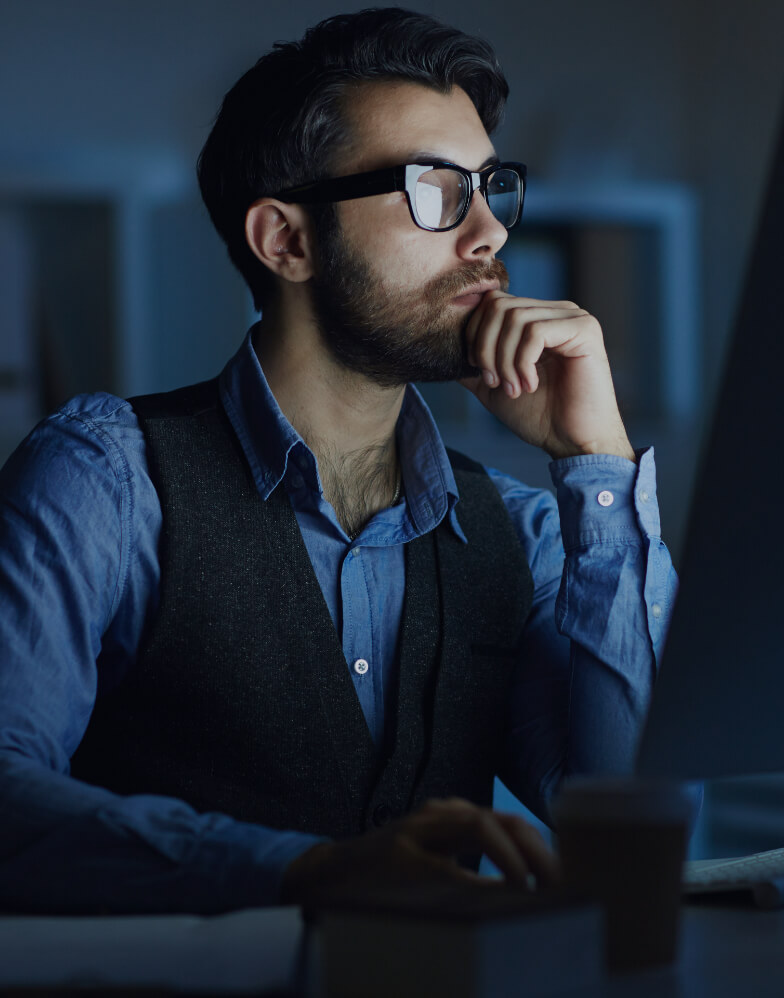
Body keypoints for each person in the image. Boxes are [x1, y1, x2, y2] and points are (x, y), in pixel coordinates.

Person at [0, 8, 675, 914]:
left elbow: (630, 824)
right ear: (287, 240)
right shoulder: (106, 480)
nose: (491, 236)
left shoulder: (522, 531)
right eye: (435, 190)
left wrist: (599, 462)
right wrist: (300, 872)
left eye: (490, 187)